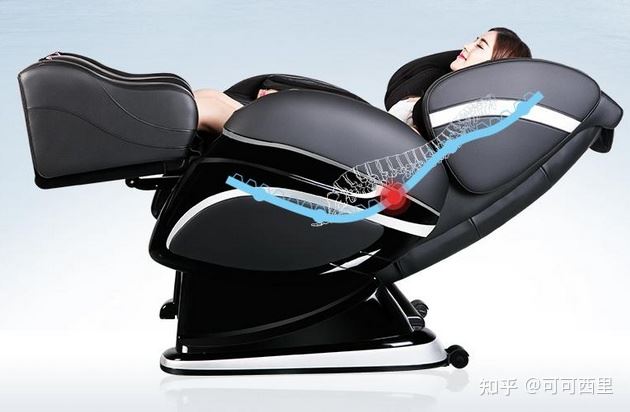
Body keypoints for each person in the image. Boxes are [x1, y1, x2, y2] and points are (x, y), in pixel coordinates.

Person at [193, 27, 531, 136]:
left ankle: (164, 118)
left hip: (354, 152)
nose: (466, 45)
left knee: (209, 108)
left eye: (479, 45)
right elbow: (416, 73)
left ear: (492, 69)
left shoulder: (455, 114)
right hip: (356, 136)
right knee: (209, 97)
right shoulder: (439, 96)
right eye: (474, 38)